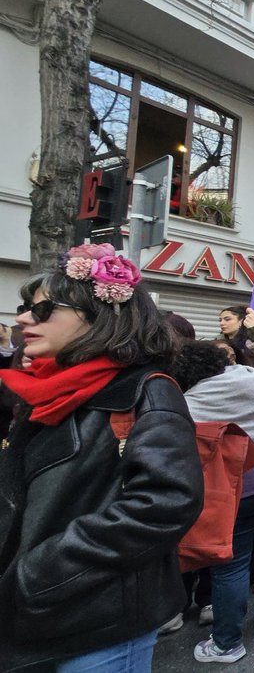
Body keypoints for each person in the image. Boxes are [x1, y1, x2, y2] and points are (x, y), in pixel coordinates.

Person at [0, 243, 203, 671]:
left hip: (97, 622)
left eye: (41, 310)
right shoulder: (41, 390)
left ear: (97, 314)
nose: (21, 320)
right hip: (30, 617)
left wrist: (39, 572)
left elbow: (165, 504)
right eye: (24, 308)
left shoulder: (146, 390)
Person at [168, 341, 254, 664]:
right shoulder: (253, 378)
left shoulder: (192, 400)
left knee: (230, 565)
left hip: (233, 489)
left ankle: (226, 642)